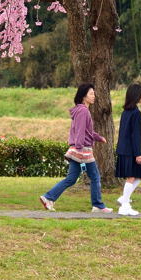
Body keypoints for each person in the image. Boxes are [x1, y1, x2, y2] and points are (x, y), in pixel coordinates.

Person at [39, 83, 113, 213]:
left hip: (80, 149)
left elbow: (87, 131)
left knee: (71, 179)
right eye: (91, 94)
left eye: (94, 94)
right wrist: (79, 149)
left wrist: (98, 137)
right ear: (84, 96)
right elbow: (80, 131)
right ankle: (98, 205)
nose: (94, 96)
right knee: (95, 177)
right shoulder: (83, 111)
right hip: (82, 150)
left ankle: (48, 197)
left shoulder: (81, 110)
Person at [115, 83, 141, 216]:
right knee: (132, 177)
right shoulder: (136, 113)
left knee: (139, 176)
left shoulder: (125, 112)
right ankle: (124, 206)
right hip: (130, 151)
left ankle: (124, 199)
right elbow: (136, 135)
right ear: (137, 96)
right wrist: (138, 154)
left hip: (123, 149)